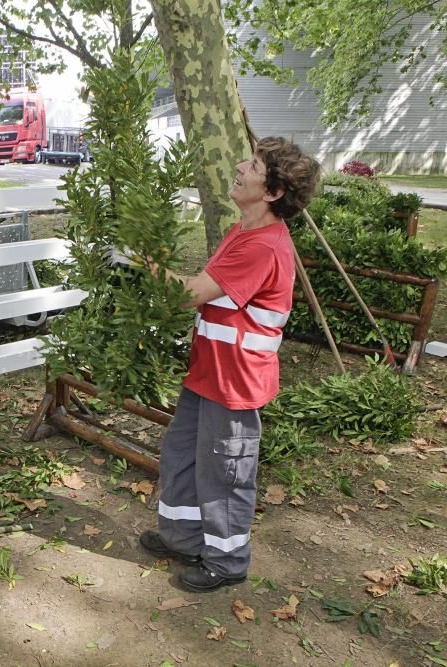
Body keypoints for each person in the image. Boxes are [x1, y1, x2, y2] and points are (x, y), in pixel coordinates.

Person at [139, 137, 320, 591]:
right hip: (208, 372)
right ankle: (183, 537)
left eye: (255, 165)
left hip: (235, 381)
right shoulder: (243, 230)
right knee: (181, 456)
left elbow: (191, 295)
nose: (241, 166)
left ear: (273, 192)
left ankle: (226, 561)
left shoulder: (262, 245)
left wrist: (144, 264)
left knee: (225, 471)